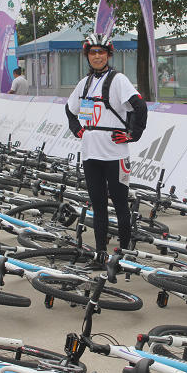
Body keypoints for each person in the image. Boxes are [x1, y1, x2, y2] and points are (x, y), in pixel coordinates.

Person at [65, 33, 147, 261]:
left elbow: (140, 107)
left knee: (120, 205)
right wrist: (76, 128)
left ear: (109, 55)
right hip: (90, 153)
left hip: (114, 154)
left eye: (101, 52)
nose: (97, 56)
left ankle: (125, 255)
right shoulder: (85, 83)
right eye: (93, 52)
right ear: (87, 56)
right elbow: (70, 109)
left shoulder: (118, 80)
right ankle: (100, 253)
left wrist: (132, 135)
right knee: (98, 206)